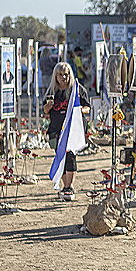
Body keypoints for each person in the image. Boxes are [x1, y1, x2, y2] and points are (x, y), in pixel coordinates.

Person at [44, 62, 78, 200]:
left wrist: (79, 110)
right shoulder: (52, 91)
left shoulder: (76, 90)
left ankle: (69, 186)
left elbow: (87, 106)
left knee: (70, 157)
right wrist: (49, 106)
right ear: (55, 76)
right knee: (60, 157)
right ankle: (65, 186)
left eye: (66, 74)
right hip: (55, 129)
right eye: (60, 74)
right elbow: (45, 111)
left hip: (71, 130)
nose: (63, 77)